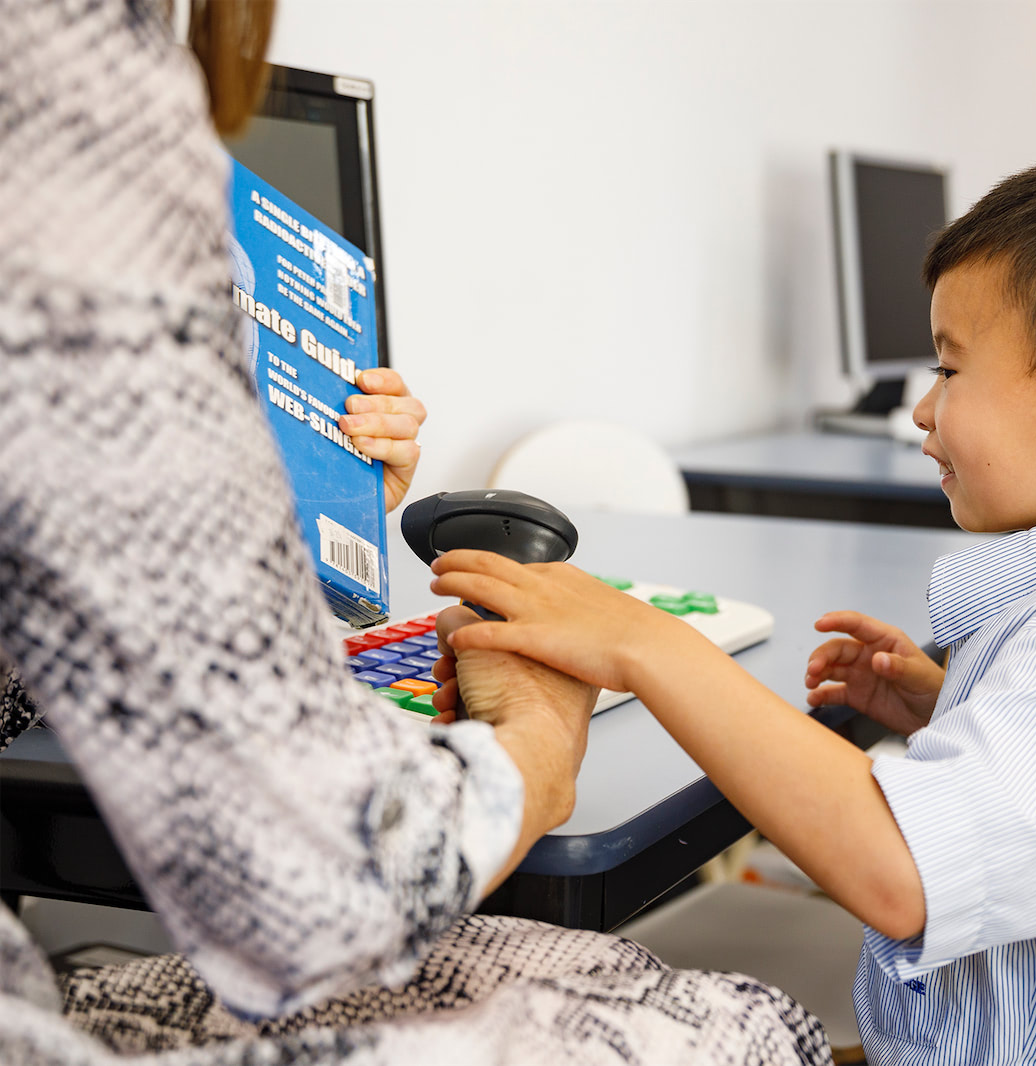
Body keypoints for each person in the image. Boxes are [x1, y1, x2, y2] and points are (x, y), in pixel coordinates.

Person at [0, 0, 828, 1062]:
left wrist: (294, 498)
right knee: (735, 1025)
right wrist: (536, 745)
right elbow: (309, 886)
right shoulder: (66, 86)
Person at [426, 150, 1036, 1064]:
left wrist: (648, 646)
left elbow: (901, 871)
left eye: (950, 370)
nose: (921, 409)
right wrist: (953, 707)